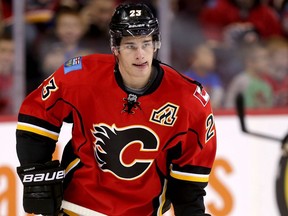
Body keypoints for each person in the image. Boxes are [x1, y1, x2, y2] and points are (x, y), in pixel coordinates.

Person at [16, 3, 217, 216]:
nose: (140, 54)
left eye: (146, 43)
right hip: (78, 205)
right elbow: (37, 114)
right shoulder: (81, 75)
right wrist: (37, 170)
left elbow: (190, 180)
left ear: (156, 44)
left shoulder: (189, 100)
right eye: (130, 45)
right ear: (116, 48)